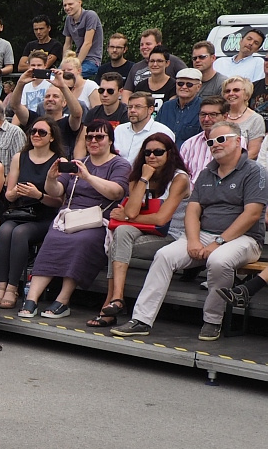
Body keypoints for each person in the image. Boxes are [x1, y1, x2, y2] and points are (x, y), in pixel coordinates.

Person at [113, 121, 265, 341]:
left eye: (221, 139)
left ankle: (213, 320)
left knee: (219, 260)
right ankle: (141, 320)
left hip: (244, 238)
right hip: (204, 233)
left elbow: (251, 214)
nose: (215, 145)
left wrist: (218, 242)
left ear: (238, 141)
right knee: (164, 255)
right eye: (211, 142)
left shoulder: (255, 171)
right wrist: (193, 240)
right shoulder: (206, 173)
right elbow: (193, 210)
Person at [17, 119, 130, 318]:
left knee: (82, 240)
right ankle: (31, 299)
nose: (93, 141)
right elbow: (56, 191)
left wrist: (88, 177)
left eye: (99, 137)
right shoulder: (79, 162)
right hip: (70, 217)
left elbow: (116, 192)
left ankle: (63, 300)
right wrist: (51, 178)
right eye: (89, 137)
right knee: (53, 237)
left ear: (110, 140)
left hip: (97, 220)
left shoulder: (120, 164)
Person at [88, 133, 191, 327]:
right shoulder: (138, 176)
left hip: (172, 235)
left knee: (118, 243)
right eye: (147, 152)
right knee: (121, 232)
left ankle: (110, 303)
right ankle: (117, 297)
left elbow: (161, 219)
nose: (152, 156)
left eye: (158, 152)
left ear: (169, 153)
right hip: (142, 230)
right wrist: (144, 179)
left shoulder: (179, 179)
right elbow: (132, 211)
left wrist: (127, 217)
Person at [0, 118, 65, 308]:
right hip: (21, 212)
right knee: (5, 230)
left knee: (20, 233)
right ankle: (1, 285)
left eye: (42, 132)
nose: (36, 135)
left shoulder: (59, 161)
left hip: (45, 215)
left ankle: (12, 287)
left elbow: (59, 201)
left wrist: (38, 195)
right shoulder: (20, 157)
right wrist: (16, 192)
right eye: (33, 131)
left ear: (52, 137)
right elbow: (8, 195)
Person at [180, 97, 239, 173]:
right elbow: (181, 174)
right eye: (203, 114)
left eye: (213, 114)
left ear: (225, 117)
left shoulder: (235, 141)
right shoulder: (189, 144)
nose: (206, 119)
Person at [114, 91, 175, 163]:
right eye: (130, 107)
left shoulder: (163, 132)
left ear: (150, 110)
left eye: (138, 107)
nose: (132, 110)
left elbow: (170, 162)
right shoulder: (119, 130)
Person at [156, 68, 204, 146]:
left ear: (198, 87)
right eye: (180, 83)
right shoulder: (166, 106)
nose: (184, 87)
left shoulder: (203, 108)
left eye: (189, 84)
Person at [61, 0, 103, 78]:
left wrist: (76, 65)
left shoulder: (90, 15)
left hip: (91, 61)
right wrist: (64, 63)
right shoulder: (68, 19)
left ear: (79, 2)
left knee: (67, 76)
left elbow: (88, 43)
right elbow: (67, 44)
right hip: (75, 59)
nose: (67, 7)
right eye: (65, 5)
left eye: (70, 4)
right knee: (53, 75)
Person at [223, 76, 264, 160]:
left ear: (246, 95)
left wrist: (232, 164)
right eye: (227, 91)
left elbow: (254, 152)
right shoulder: (219, 115)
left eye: (236, 90)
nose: (231, 93)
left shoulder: (255, 119)